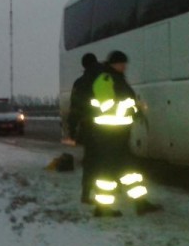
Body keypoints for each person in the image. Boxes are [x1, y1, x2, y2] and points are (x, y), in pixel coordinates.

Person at [88, 50, 161, 217]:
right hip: (108, 134)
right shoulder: (105, 80)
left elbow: (124, 101)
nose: (124, 66)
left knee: (129, 169)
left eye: (125, 63)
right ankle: (103, 208)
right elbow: (107, 106)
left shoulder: (118, 79)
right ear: (114, 64)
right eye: (122, 63)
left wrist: (136, 108)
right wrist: (132, 108)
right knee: (109, 172)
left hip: (119, 133)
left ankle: (140, 203)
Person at [67, 53, 103, 204]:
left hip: (89, 129)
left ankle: (87, 193)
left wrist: (72, 129)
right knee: (106, 161)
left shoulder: (80, 83)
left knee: (90, 162)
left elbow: (74, 109)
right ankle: (106, 192)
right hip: (108, 127)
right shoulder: (104, 78)